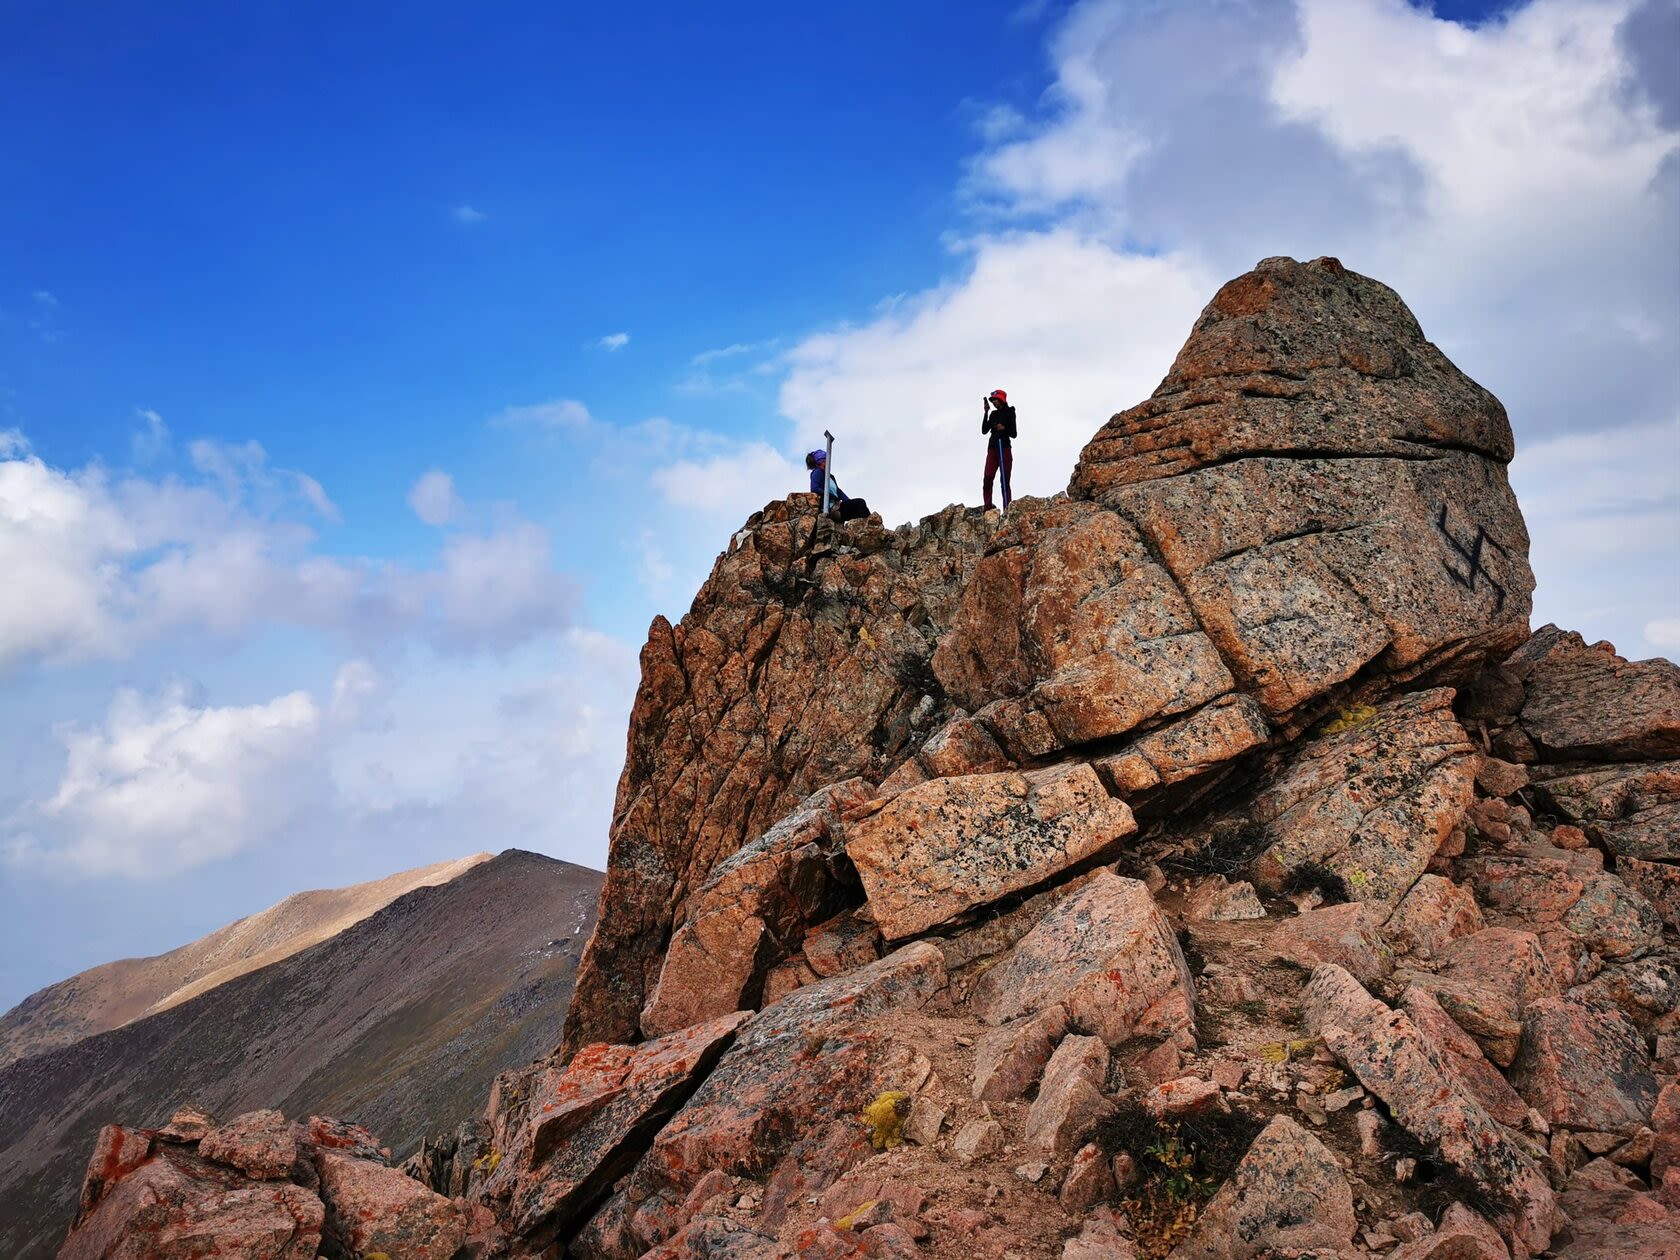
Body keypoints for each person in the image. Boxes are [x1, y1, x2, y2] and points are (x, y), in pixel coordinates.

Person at [806, 449, 870, 521]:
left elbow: (838, 491)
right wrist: (832, 496)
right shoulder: (817, 472)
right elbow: (815, 488)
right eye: (825, 460)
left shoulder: (830, 477)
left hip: (838, 507)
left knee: (859, 508)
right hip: (831, 509)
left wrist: (849, 502)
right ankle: (870, 526)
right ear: (821, 462)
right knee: (860, 502)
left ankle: (866, 527)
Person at [982, 389, 1017, 511]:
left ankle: (1007, 508)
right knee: (987, 477)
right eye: (993, 401)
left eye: (996, 400)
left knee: (1004, 480)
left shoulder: (1010, 412)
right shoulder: (993, 414)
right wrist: (986, 412)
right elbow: (984, 431)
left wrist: (1003, 428)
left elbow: (1014, 433)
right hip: (992, 448)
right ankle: (987, 506)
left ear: (1002, 399)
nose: (994, 402)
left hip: (1005, 447)